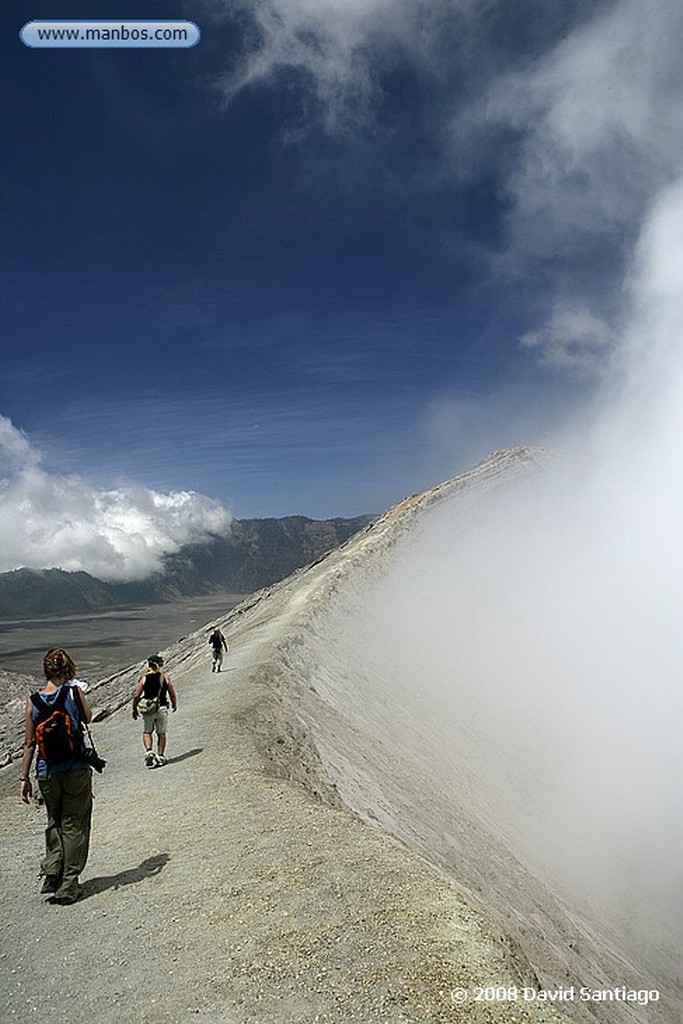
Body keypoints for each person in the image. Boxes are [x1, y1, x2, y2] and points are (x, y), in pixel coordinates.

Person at [19, 647, 94, 905]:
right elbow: (88, 718)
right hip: (76, 768)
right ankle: (69, 884)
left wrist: (24, 778)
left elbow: (29, 743)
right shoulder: (73, 692)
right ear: (68, 667)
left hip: (46, 770)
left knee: (55, 820)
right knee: (74, 823)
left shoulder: (33, 700)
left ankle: (52, 873)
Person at [131, 655, 177, 768]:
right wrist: (174, 703)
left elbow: (136, 695)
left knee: (147, 731)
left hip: (148, 708)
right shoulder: (165, 677)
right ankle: (160, 756)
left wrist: (134, 708)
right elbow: (171, 691)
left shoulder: (144, 678)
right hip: (162, 707)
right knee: (161, 733)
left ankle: (149, 752)